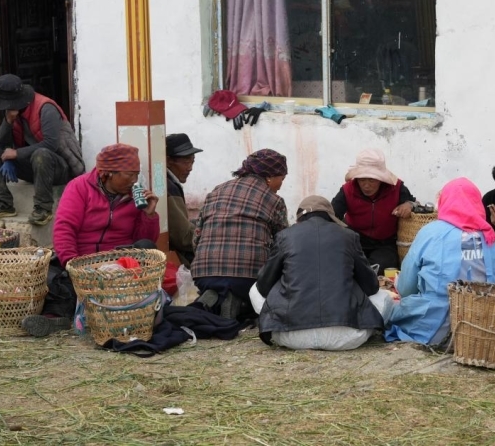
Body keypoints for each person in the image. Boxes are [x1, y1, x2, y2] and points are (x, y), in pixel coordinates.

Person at [21, 143, 161, 337]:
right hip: (82, 263)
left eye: (136, 175)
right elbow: (64, 228)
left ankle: (125, 313)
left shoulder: (135, 198)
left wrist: (149, 215)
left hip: (118, 266)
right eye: (130, 175)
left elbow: (143, 241)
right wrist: (74, 266)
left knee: (147, 248)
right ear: (108, 173)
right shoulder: (79, 187)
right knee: (52, 276)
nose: (134, 180)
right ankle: (55, 318)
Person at [250, 195, 392, 350]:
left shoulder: (284, 236)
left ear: (299, 220)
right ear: (331, 218)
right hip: (349, 336)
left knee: (254, 289)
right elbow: (371, 287)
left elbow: (263, 286)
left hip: (289, 335)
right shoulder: (349, 236)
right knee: (384, 297)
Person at [385, 177, 495, 346]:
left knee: (387, 307)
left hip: (433, 330)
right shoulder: (489, 237)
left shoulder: (431, 232)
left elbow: (406, 288)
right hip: (482, 329)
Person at [191, 148, 289, 324]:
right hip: (248, 277)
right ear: (269, 176)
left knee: (222, 284)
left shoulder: (217, 190)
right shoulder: (275, 201)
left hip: (204, 272)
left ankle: (214, 295)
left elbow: (197, 236)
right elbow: (283, 244)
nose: (281, 185)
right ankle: (238, 302)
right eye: (281, 178)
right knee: (254, 292)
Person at [0, 74, 84, 226]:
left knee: (41, 154)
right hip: (33, 167)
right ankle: (2, 203)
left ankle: (43, 208)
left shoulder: (46, 108)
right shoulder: (12, 112)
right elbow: (1, 142)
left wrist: (16, 153)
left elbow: (51, 144)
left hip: (59, 168)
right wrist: (8, 122)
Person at [332, 148, 417, 274]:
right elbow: (332, 215)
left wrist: (409, 205)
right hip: (354, 241)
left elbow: (414, 203)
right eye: (362, 180)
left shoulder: (396, 188)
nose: (366, 185)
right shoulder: (348, 190)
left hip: (385, 243)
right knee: (344, 264)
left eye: (372, 180)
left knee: (382, 266)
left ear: (381, 179)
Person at [165, 133, 203, 267]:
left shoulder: (170, 183)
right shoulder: (169, 187)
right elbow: (183, 237)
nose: (190, 168)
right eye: (186, 162)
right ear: (168, 161)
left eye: (192, 161)